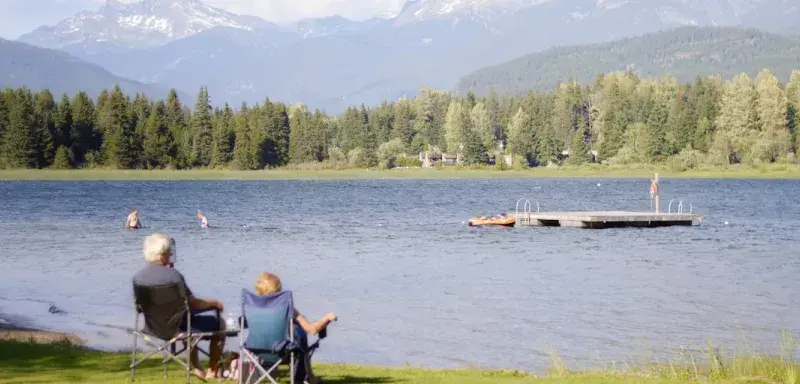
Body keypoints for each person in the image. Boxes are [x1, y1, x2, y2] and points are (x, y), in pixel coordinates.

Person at [133, 233, 226, 380]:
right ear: (161, 255)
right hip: (179, 327)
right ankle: (212, 370)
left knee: (185, 321)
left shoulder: (138, 278)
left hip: (152, 328)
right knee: (219, 323)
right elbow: (194, 304)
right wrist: (215, 303)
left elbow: (139, 307)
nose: (170, 254)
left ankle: (196, 367)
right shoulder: (174, 277)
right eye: (168, 252)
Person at [251, 272, 336, 384]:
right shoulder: (286, 307)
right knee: (300, 334)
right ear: (278, 290)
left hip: (257, 351)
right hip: (282, 353)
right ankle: (306, 378)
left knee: (298, 334)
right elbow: (312, 329)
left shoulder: (252, 307)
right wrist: (327, 318)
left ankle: (310, 377)